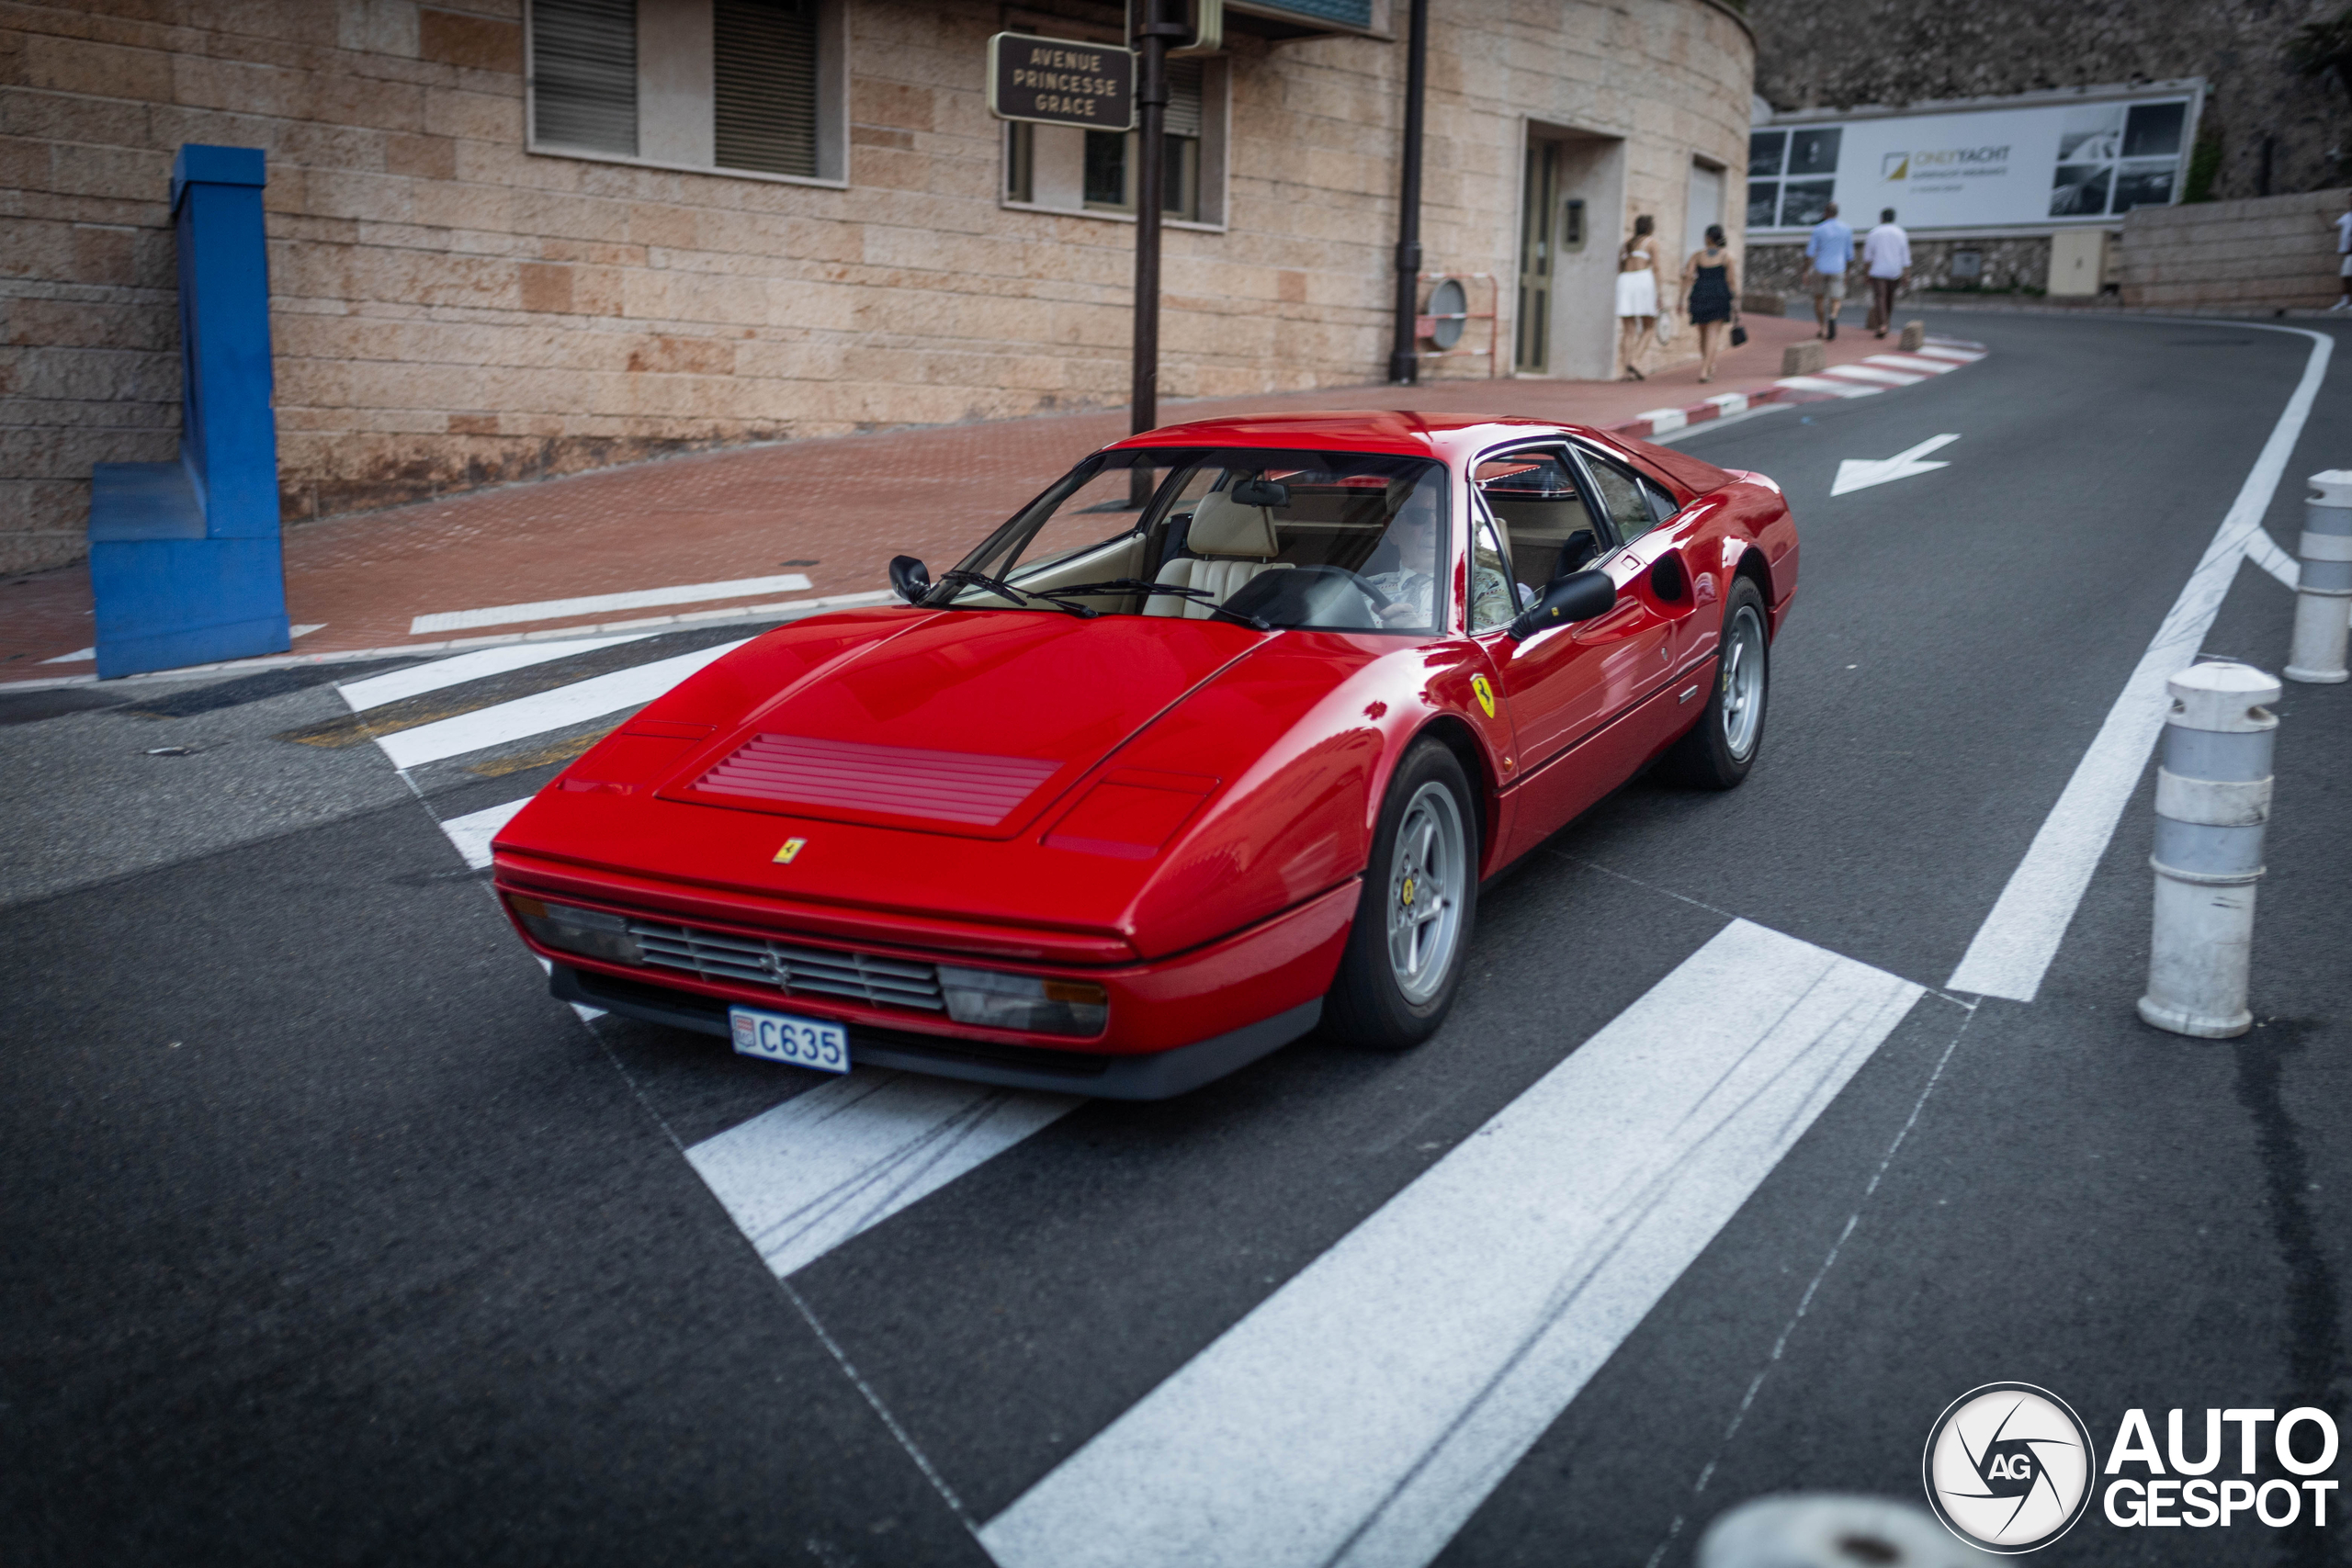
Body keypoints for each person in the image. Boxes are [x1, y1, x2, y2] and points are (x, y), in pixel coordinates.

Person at [1681, 224, 1739, 382]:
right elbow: (1731, 280)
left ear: (1707, 238)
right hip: (1719, 294)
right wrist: (1735, 299)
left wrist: (1681, 298)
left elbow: (1687, 276)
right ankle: (1705, 370)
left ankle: (1709, 366)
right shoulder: (1727, 256)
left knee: (1702, 334)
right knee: (1713, 334)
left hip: (1700, 294)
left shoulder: (1697, 255)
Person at [1614, 215, 1660, 380]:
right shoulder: (1651, 243)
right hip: (1642, 280)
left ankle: (1626, 371)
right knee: (1649, 326)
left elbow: (1619, 268)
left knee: (1628, 330)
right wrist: (1659, 294)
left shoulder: (1626, 245)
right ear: (1650, 228)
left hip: (1625, 281)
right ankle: (1635, 360)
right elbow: (1656, 268)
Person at [1804, 201, 1853, 340]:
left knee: (1819, 298)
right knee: (1836, 298)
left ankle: (1822, 327)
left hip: (1820, 267)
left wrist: (1805, 271)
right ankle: (1833, 315)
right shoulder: (1846, 229)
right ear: (1837, 213)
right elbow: (1850, 255)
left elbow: (1810, 253)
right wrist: (1848, 273)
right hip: (1838, 267)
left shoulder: (1818, 229)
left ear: (1825, 213)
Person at [1862, 208, 1911, 337]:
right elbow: (1905, 256)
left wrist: (1866, 273)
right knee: (1890, 297)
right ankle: (1886, 322)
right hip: (1894, 270)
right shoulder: (1901, 233)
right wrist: (1907, 274)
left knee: (1880, 297)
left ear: (1881, 218)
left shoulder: (1874, 233)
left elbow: (1868, 257)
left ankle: (1882, 324)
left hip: (1878, 270)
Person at [2334, 198, 2351, 311]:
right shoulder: (2346, 217)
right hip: (2347, 254)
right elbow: (2333, 226)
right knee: (2345, 278)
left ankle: (2347, 303)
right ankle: (2345, 302)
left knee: (2348, 277)